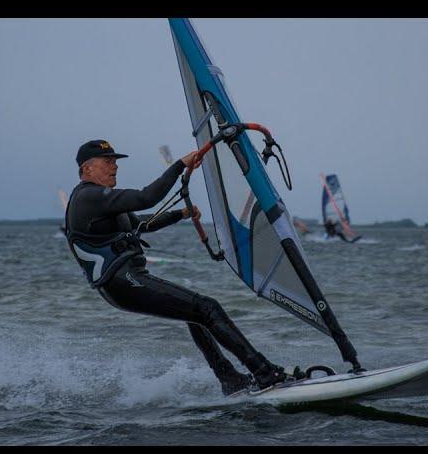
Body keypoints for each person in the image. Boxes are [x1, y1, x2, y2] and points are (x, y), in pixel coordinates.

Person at [65, 139, 303, 395]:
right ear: (87, 169)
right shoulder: (89, 196)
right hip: (122, 282)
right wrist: (180, 164)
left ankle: (230, 378)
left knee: (196, 315)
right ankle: (265, 373)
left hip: (124, 282)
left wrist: (181, 214)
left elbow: (142, 224)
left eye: (115, 162)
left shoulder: (102, 201)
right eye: (107, 162)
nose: (114, 167)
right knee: (207, 307)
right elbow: (147, 197)